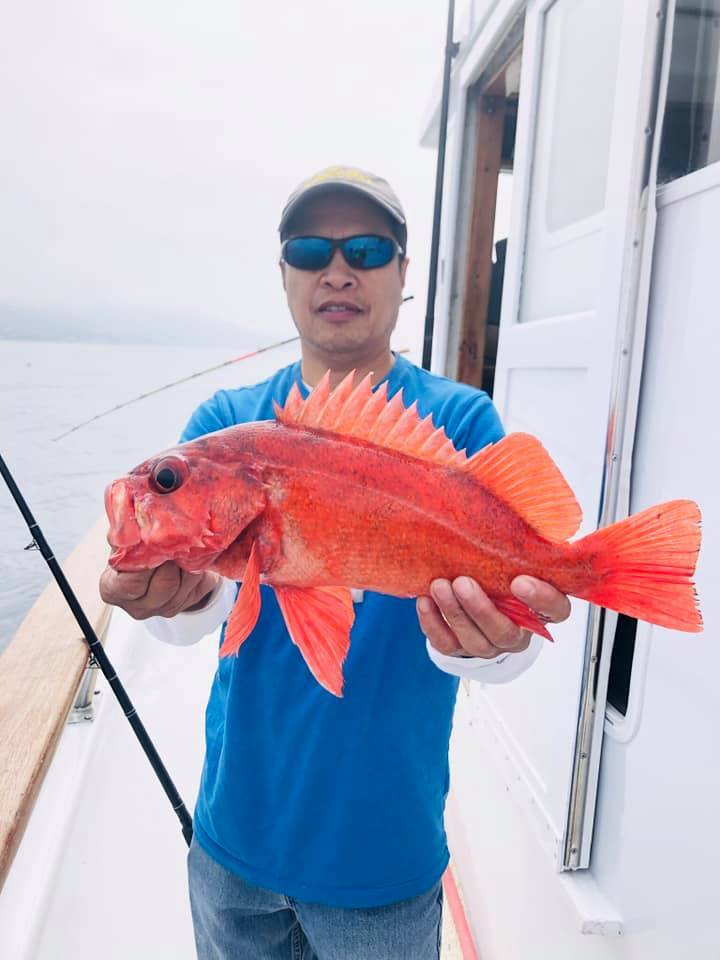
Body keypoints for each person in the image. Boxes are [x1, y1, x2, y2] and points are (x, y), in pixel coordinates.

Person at [100, 165, 570, 960]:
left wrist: (495, 643)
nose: (338, 269)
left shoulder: (461, 419)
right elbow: (206, 612)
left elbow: (508, 646)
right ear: (284, 274)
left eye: (367, 248)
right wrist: (169, 600)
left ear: (403, 274)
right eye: (311, 248)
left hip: (383, 855)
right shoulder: (225, 421)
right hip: (233, 842)